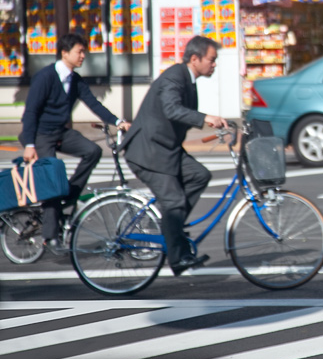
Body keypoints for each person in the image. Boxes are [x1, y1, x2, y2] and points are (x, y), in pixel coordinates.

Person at [120, 35, 228, 276]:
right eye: (212, 59)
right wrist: (205, 118)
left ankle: (173, 227)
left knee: (200, 175)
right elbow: (171, 109)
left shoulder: (189, 80)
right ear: (194, 58)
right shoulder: (174, 77)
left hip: (166, 150)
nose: (214, 64)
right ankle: (177, 258)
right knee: (174, 201)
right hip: (148, 152)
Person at [20, 33, 131, 251]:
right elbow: (31, 112)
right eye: (79, 51)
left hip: (60, 133)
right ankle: (51, 236)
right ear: (64, 53)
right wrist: (30, 144)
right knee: (51, 178)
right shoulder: (45, 77)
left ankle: (69, 196)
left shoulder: (75, 80)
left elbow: (94, 104)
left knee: (93, 151)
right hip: (41, 135)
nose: (83, 56)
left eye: (84, 52)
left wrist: (118, 121)